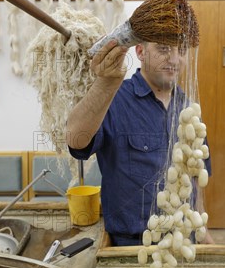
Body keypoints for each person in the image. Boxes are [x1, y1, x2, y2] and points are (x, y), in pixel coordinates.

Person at [66, 40, 213, 246]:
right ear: (141, 52)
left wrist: (201, 228)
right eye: (164, 48)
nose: (173, 59)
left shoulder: (188, 107)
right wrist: (105, 83)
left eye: (181, 51)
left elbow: (197, 174)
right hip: (133, 245)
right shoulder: (115, 99)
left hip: (183, 240)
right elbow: (76, 142)